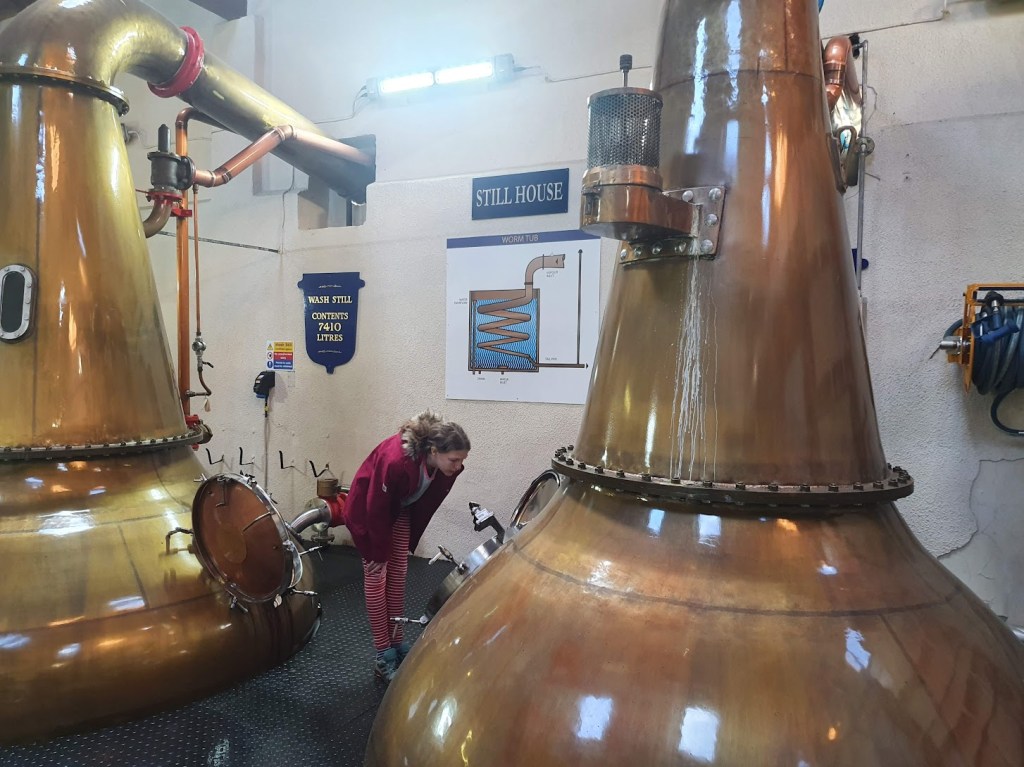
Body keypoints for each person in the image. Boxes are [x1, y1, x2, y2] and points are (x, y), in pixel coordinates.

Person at [343, 410, 470, 682]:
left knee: (398, 574)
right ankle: (382, 655)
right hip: (368, 512)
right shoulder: (396, 460)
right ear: (433, 450)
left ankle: (397, 643)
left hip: (399, 508)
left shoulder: (443, 465)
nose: (458, 466)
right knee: (378, 575)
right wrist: (376, 551)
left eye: (462, 460)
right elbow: (375, 507)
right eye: (454, 460)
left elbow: (421, 500)